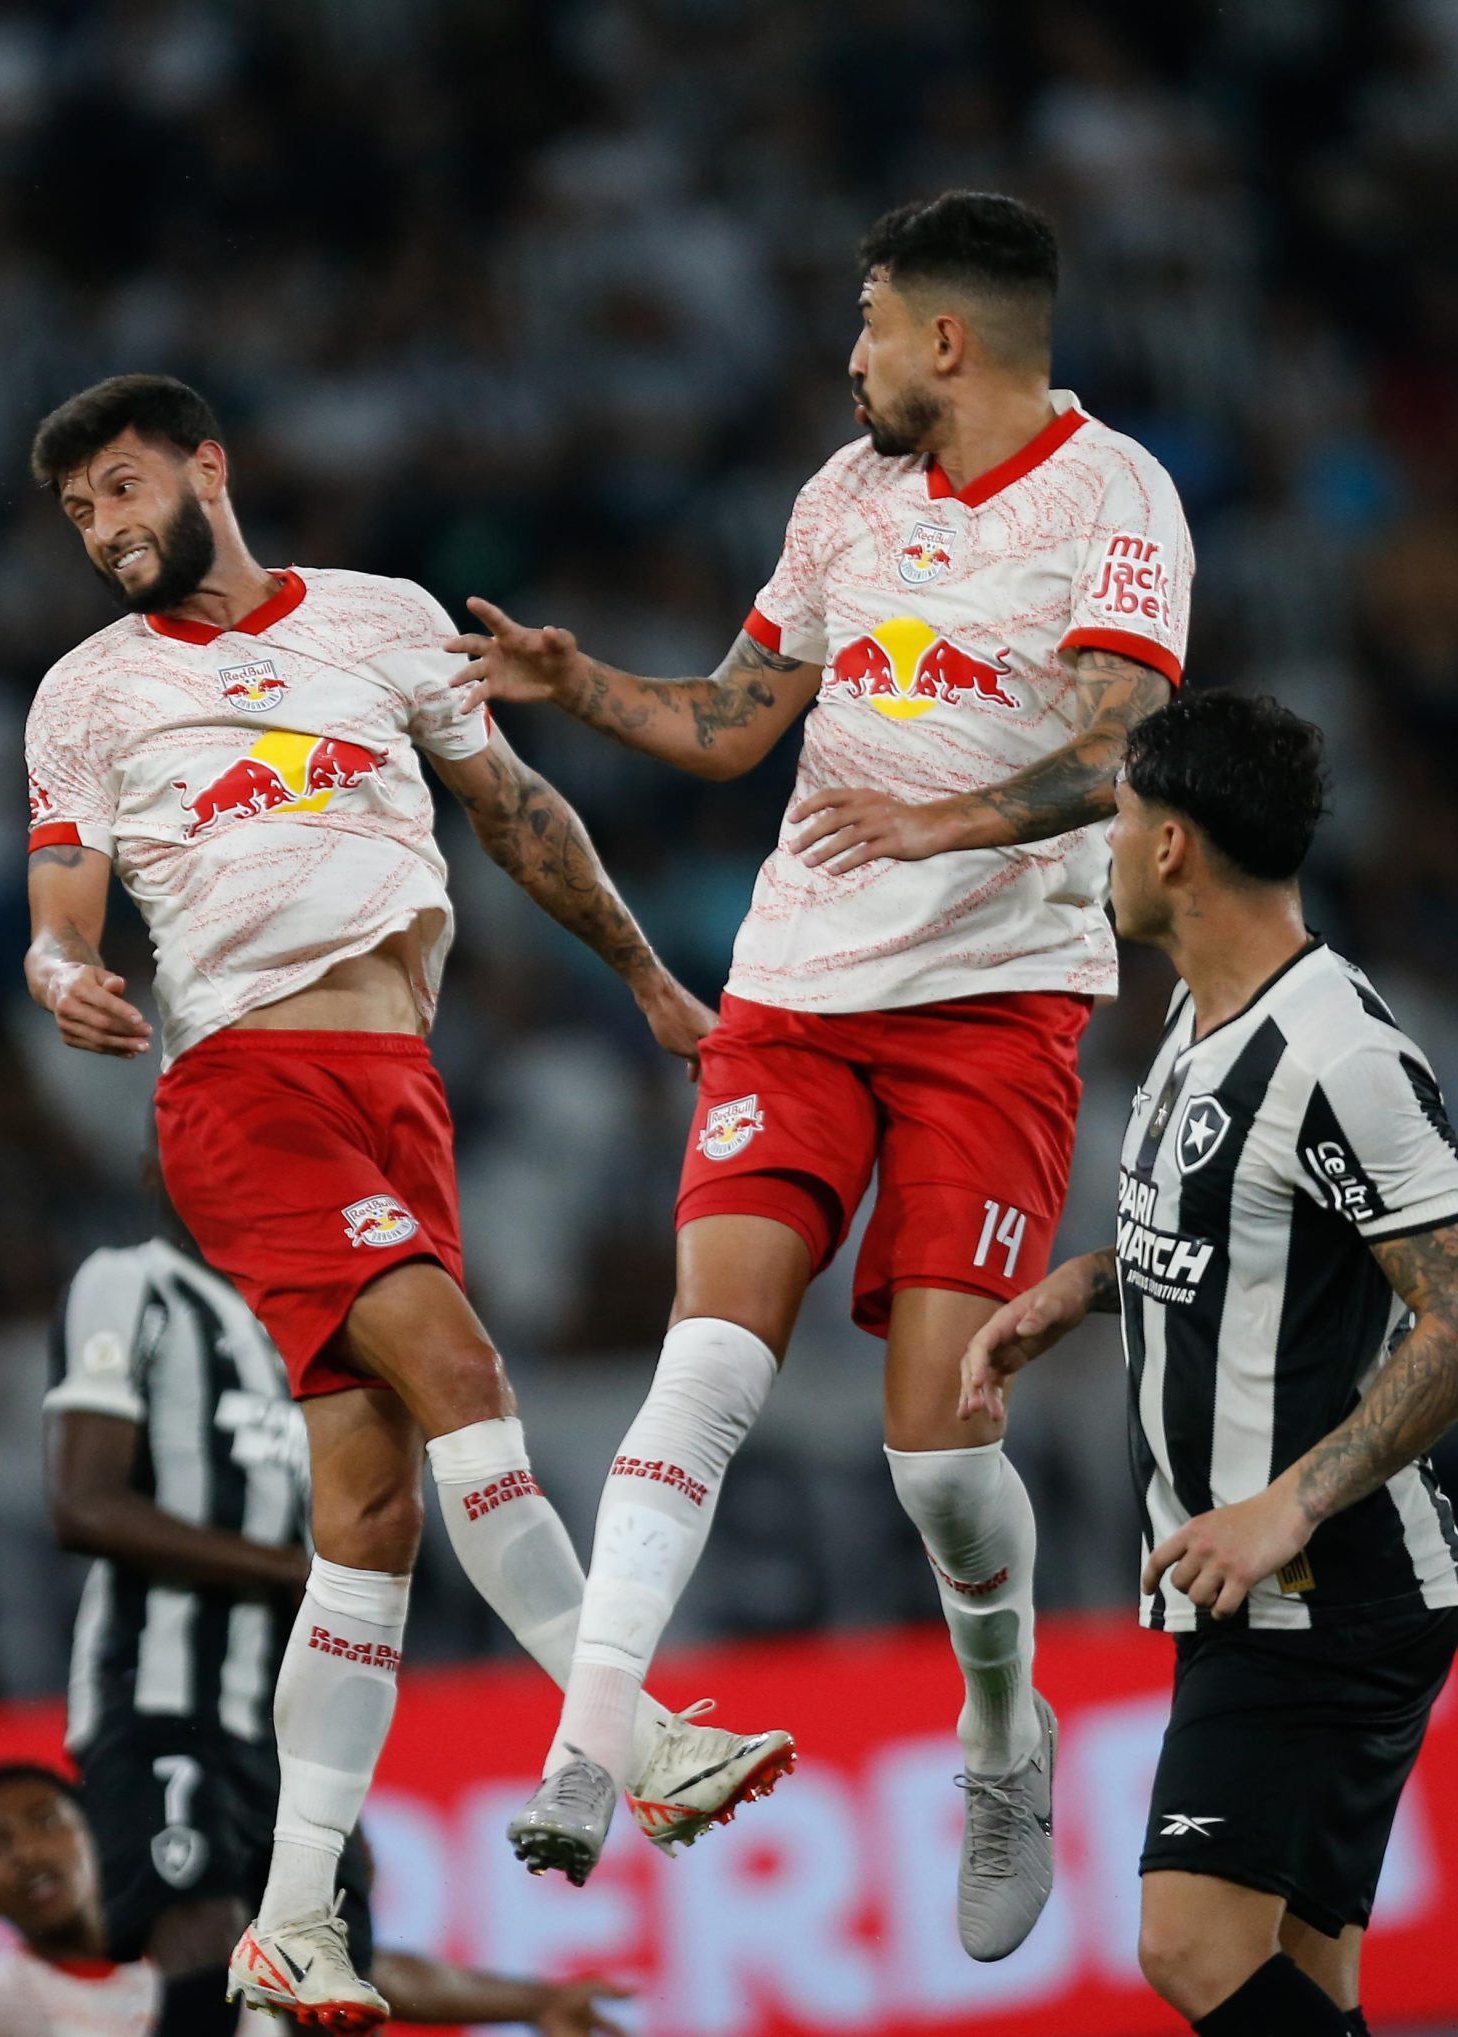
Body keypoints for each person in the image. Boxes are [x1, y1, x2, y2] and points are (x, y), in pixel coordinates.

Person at [452, 189, 1195, 1958]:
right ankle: (591, 1743)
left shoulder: (1118, 496)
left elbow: (1121, 739)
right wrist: (582, 687)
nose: (845, 356)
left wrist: (941, 817)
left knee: (939, 1462)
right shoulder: (841, 496)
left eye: (866, 323)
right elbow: (732, 722)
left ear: (949, 339)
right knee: (706, 1357)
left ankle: (1001, 1733)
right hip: (793, 990)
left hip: (999, 1002)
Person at [22, 374, 790, 2031]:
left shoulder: (379, 623)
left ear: (208, 468)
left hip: (400, 1091)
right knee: (466, 1377)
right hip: (245, 1093)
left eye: (124, 485)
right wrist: (60, 968)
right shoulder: (86, 696)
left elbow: (514, 811)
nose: (104, 526)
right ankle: (630, 1733)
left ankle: (294, 1919)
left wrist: (651, 979)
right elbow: (62, 892)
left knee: (367, 1518)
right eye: (80, 511)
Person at [957, 692, 1458, 2037]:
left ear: (1172, 844)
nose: (1104, 844)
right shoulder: (1202, 1019)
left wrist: (1285, 1505)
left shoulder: (1336, 1050)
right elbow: (1254, 1248)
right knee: (1311, 1981)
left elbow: (1456, 1313)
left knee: (1187, 1946)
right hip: (1249, 1582)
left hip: (1321, 1588)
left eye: (1118, 817)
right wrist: (1087, 1284)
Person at [0, 1764, 632, 2037]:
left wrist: (534, 2001)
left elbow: (367, 1971)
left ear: (103, 1830)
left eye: (46, 1820)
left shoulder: (196, 1928)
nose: (28, 1851)